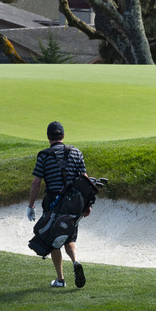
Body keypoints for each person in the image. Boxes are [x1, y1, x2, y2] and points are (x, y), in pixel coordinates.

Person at [27, 121, 91, 288]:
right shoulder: (76, 152)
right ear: (63, 136)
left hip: (53, 202)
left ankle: (61, 279)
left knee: (53, 238)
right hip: (74, 203)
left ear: (48, 137)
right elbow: (85, 180)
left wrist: (30, 205)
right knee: (68, 235)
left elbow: (36, 183)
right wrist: (87, 204)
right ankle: (76, 261)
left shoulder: (44, 155)